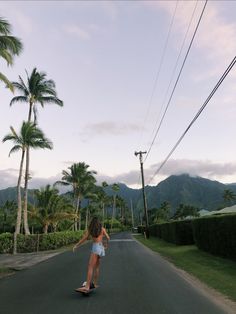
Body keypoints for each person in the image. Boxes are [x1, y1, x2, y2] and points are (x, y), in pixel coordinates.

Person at [73, 217, 110, 293]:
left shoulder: (90, 229)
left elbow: (84, 238)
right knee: (97, 267)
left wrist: (76, 245)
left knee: (90, 267)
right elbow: (108, 238)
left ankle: (87, 287)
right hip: (101, 248)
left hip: (96, 248)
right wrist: (106, 245)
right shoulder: (102, 229)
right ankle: (95, 283)